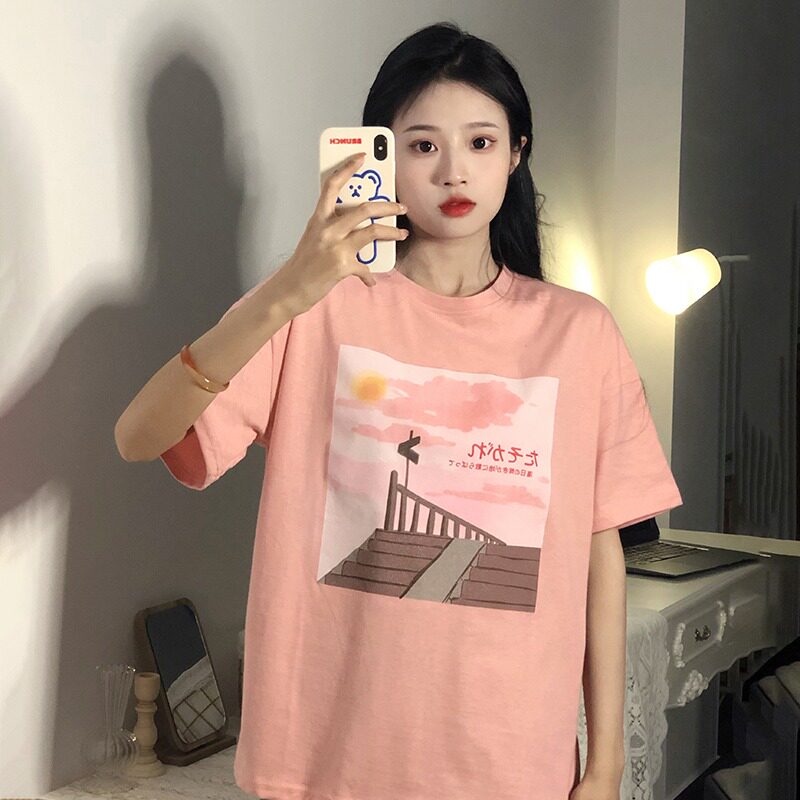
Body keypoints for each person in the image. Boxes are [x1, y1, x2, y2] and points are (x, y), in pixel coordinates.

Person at [115, 21, 682, 800]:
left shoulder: (580, 334)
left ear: (516, 154)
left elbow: (598, 550)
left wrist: (606, 761)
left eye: (480, 142)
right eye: (421, 145)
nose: (453, 170)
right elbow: (139, 436)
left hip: (511, 762)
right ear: (380, 156)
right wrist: (289, 289)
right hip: (325, 760)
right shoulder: (317, 306)